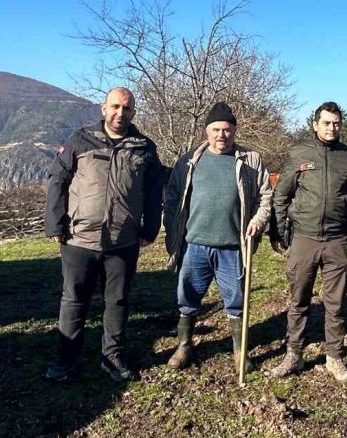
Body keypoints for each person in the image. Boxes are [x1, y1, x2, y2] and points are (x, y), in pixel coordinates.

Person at [43, 87, 165, 383]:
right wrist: (55, 225)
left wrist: (150, 229)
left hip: (123, 241)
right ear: (103, 108)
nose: (120, 113)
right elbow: (57, 180)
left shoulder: (144, 148)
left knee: (118, 302)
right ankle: (65, 360)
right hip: (79, 239)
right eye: (115, 107)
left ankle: (112, 358)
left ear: (134, 112)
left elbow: (152, 192)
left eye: (126, 108)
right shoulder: (80, 139)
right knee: (74, 301)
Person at [268, 101, 347, 383]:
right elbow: (281, 196)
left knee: (335, 302)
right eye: (326, 122)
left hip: (338, 240)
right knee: (298, 300)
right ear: (315, 124)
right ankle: (294, 354)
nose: (332, 127)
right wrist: (278, 232)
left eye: (336, 123)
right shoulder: (298, 154)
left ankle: (335, 356)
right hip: (304, 238)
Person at [163, 102, 273, 371]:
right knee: (187, 297)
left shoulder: (251, 160)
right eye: (216, 130)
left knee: (236, 300)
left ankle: (239, 350)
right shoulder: (189, 161)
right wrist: (172, 225)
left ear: (234, 131)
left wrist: (258, 221)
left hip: (233, 246)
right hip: (194, 244)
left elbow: (265, 197)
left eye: (226, 130)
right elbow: (173, 196)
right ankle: (184, 346)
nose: (221, 135)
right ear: (206, 131)